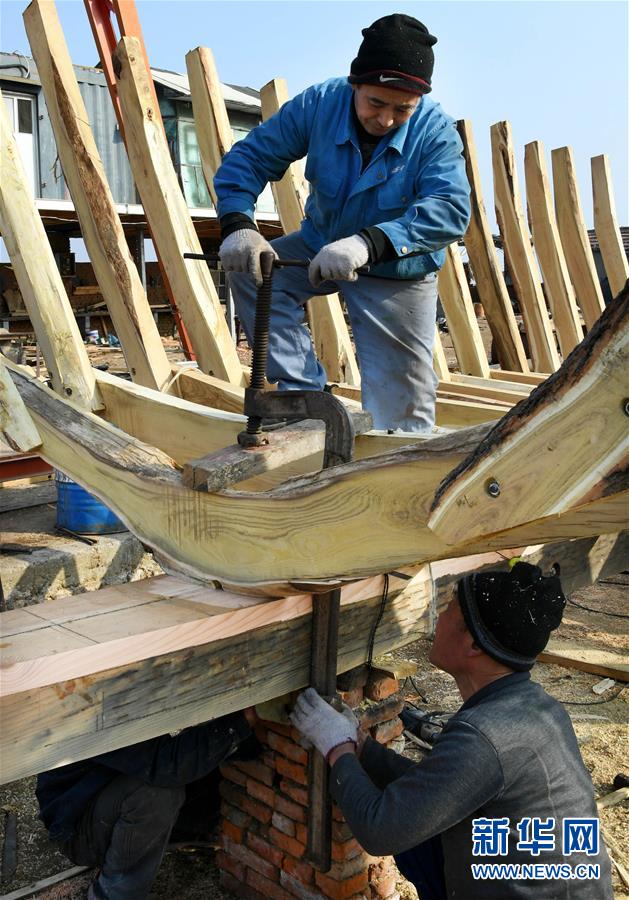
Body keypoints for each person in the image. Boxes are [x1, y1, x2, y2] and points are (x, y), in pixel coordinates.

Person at [291, 562, 614, 898]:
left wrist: (336, 748)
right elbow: (435, 789)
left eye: (448, 609)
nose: (438, 616)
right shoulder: (529, 704)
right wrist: (360, 746)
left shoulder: (486, 734)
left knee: (407, 832)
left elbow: (379, 830)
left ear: (473, 644)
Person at [215, 14, 470, 433]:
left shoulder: (435, 130)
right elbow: (251, 157)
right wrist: (238, 223)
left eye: (402, 109)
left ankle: (398, 455)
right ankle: (304, 400)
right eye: (376, 103)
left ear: (418, 101)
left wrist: (367, 244)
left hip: (396, 268)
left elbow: (450, 209)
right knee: (254, 272)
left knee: (400, 415)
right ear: (355, 85)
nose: (385, 120)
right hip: (321, 243)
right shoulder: (319, 104)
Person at [36, 708, 257, 900]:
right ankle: (112, 893)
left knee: (198, 749)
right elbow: (167, 765)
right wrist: (243, 721)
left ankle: (180, 833)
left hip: (109, 790)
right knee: (160, 792)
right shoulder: (100, 706)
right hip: (78, 829)